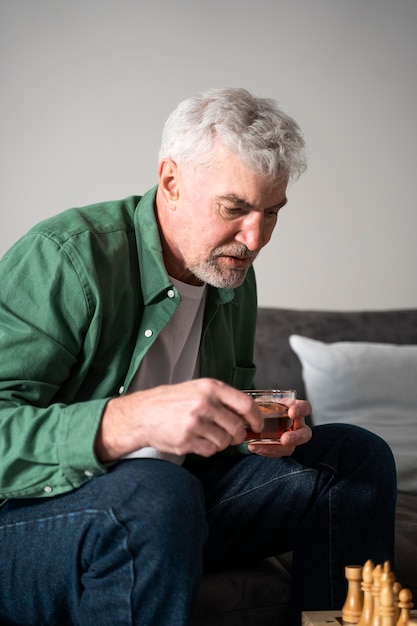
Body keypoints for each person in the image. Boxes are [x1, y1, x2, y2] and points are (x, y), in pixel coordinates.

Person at [0, 87, 396, 626]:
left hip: (172, 507)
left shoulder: (230, 273)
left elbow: (210, 435)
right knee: (158, 492)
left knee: (354, 456)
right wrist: (128, 420)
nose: (255, 239)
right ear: (171, 182)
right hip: (37, 523)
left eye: (272, 213)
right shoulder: (65, 258)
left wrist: (255, 426)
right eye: (234, 209)